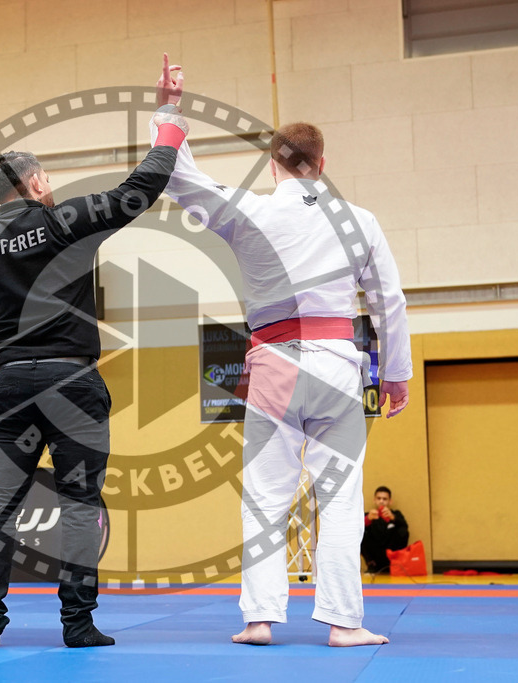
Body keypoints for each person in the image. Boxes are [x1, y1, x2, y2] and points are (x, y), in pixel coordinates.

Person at [0, 67, 189, 649]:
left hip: (11, 387)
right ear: (37, 183)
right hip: (73, 385)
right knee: (80, 504)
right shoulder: (66, 221)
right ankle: (78, 625)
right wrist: (169, 119)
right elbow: (147, 182)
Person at [154, 59, 412, 647]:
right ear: (323, 164)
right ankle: (345, 623)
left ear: (274, 164)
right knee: (342, 497)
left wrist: (169, 108)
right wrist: (394, 374)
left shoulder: (254, 208)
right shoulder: (360, 220)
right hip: (338, 364)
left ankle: (259, 619)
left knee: (267, 496)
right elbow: (388, 300)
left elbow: (179, 178)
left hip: (274, 365)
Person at [361, 486, 409, 573]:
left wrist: (393, 518)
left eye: (384, 499)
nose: (381, 501)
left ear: (390, 501)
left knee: (403, 531)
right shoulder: (369, 515)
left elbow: (405, 527)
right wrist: (368, 519)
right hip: (375, 552)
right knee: (360, 534)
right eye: (379, 498)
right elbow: (357, 530)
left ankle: (396, 564)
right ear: (374, 500)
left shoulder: (395, 514)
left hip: (391, 552)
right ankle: (371, 565)